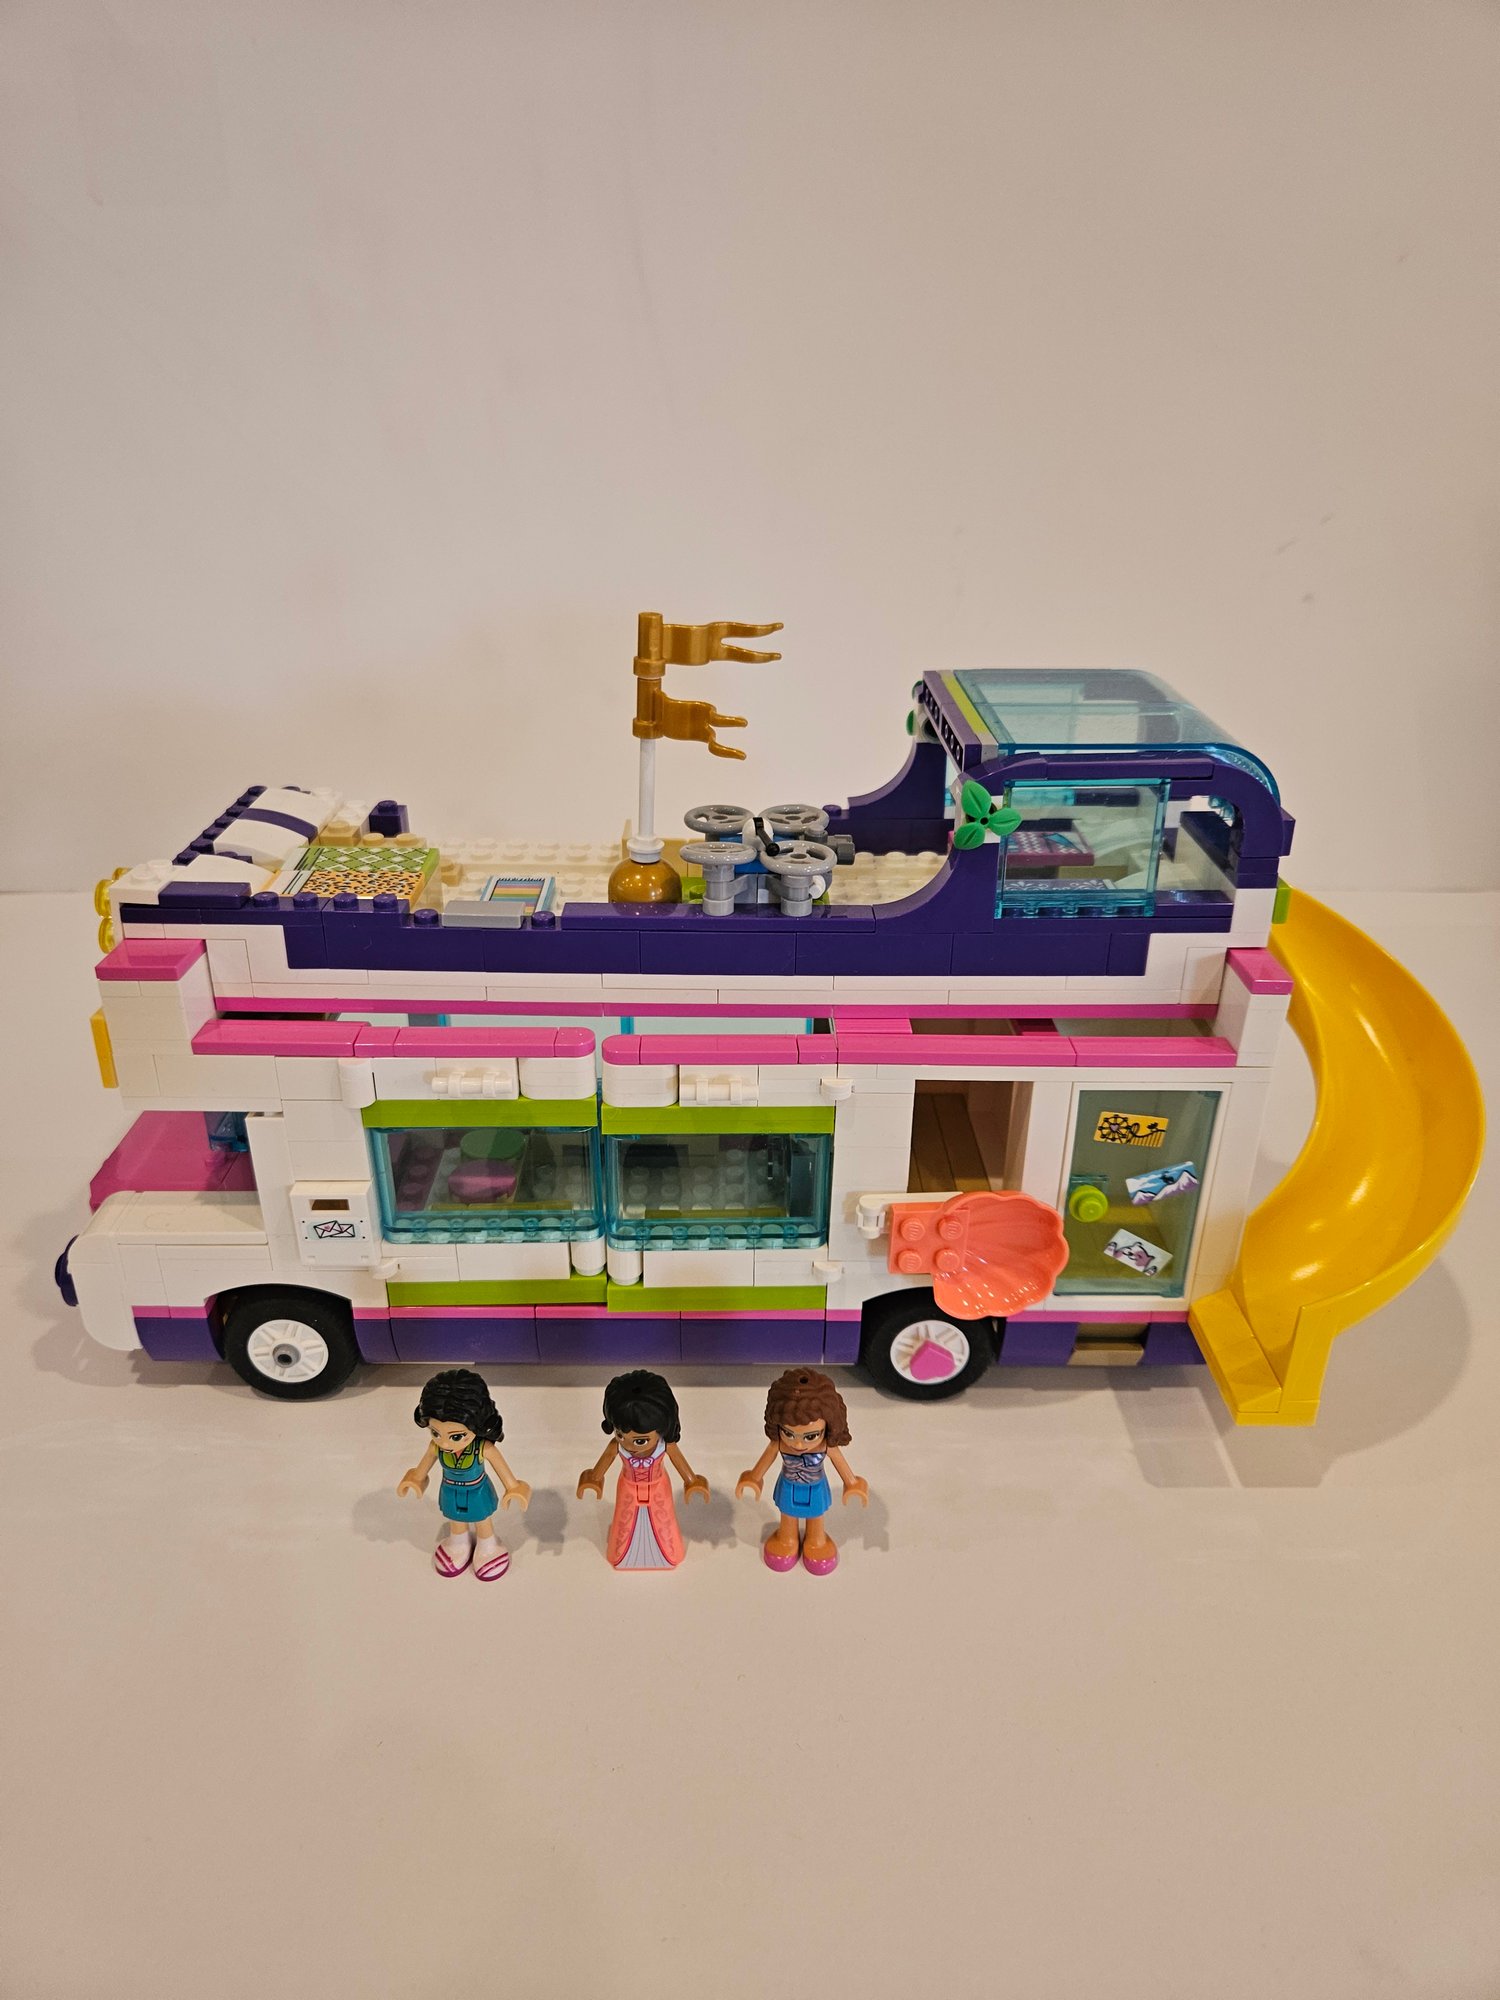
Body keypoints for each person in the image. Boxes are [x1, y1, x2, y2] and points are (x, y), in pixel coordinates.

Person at [397, 1369, 531, 1580]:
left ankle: (488, 1544)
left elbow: (503, 1471)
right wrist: (415, 1479)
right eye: (435, 1433)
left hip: (477, 1491)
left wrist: (513, 1488)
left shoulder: (482, 1448)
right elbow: (422, 1468)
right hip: (449, 1490)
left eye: (456, 1436)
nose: (445, 1443)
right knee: (455, 1518)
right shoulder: (436, 1447)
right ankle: (458, 1541)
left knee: (482, 1520)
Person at [736, 1368, 868, 1575]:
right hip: (788, 1486)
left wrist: (851, 1483)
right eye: (789, 1434)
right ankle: (787, 1538)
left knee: (816, 1516)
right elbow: (767, 1458)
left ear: (828, 1428)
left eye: (810, 1436)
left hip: (815, 1488)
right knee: (788, 1515)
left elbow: (840, 1462)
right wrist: (754, 1478)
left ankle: (816, 1540)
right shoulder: (780, 1444)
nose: (797, 1445)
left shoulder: (826, 1446)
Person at [576, 1370, 708, 1569]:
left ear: (662, 1429)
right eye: (620, 1435)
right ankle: (624, 1555)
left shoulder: (665, 1445)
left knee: (663, 1521)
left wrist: (692, 1482)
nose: (628, 1444)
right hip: (628, 1488)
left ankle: (666, 1554)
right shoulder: (617, 1446)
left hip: (658, 1488)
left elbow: (679, 1462)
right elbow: (606, 1460)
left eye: (639, 1441)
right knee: (625, 1521)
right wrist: (593, 1479)